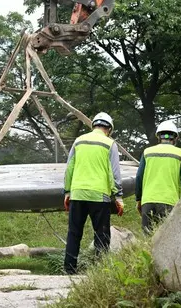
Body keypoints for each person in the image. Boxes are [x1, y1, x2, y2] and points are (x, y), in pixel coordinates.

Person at [63, 112, 123, 275]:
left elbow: (69, 168)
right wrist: (118, 196)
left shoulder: (78, 141)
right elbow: (115, 173)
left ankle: (69, 270)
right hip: (99, 195)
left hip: (78, 194)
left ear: (94, 125)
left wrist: (67, 191)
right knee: (102, 234)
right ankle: (101, 271)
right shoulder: (110, 144)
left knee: (74, 233)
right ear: (109, 129)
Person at [135, 120, 181, 235]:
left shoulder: (147, 152)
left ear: (158, 137)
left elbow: (139, 177)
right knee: (167, 239)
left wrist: (138, 199)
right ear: (175, 138)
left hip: (148, 201)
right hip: (169, 202)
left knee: (147, 240)